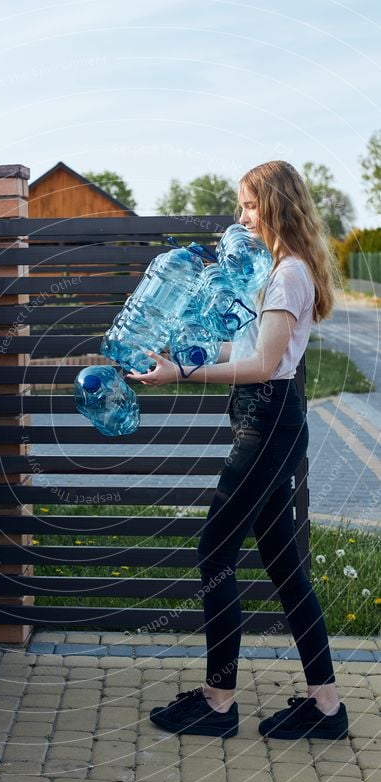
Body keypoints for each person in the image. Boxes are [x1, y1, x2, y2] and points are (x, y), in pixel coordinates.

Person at [127, 160, 348, 741]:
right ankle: (326, 707)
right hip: (264, 421)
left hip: (268, 422)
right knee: (283, 567)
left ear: (275, 206)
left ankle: (218, 703)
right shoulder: (271, 271)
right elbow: (241, 341)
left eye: (249, 205)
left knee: (214, 554)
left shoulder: (289, 274)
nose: (240, 216)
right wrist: (179, 341)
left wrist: (181, 375)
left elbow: (262, 365)